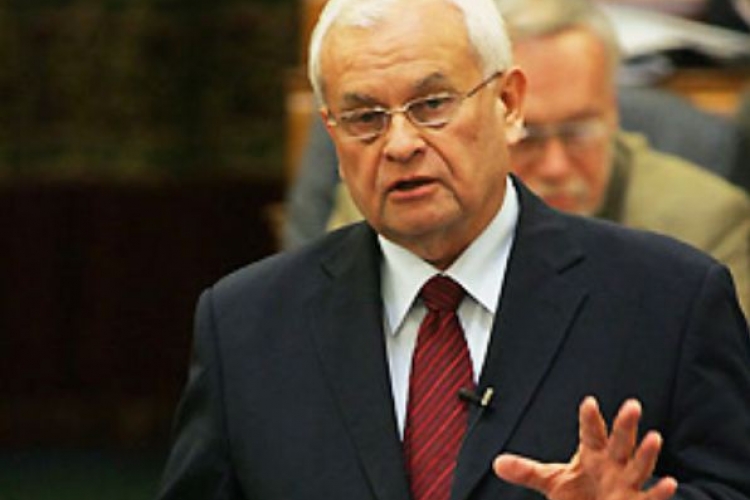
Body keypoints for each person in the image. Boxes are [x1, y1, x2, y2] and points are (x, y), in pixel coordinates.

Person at [156, 0, 750, 499]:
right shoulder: (245, 326)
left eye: (432, 105)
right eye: (364, 117)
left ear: (509, 104)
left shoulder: (671, 300)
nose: (400, 144)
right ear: (332, 135)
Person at [315, 0, 750, 319]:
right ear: (505, 112)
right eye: (531, 137)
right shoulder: (397, 206)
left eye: (579, 131)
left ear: (614, 114)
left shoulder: (701, 225)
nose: (556, 166)